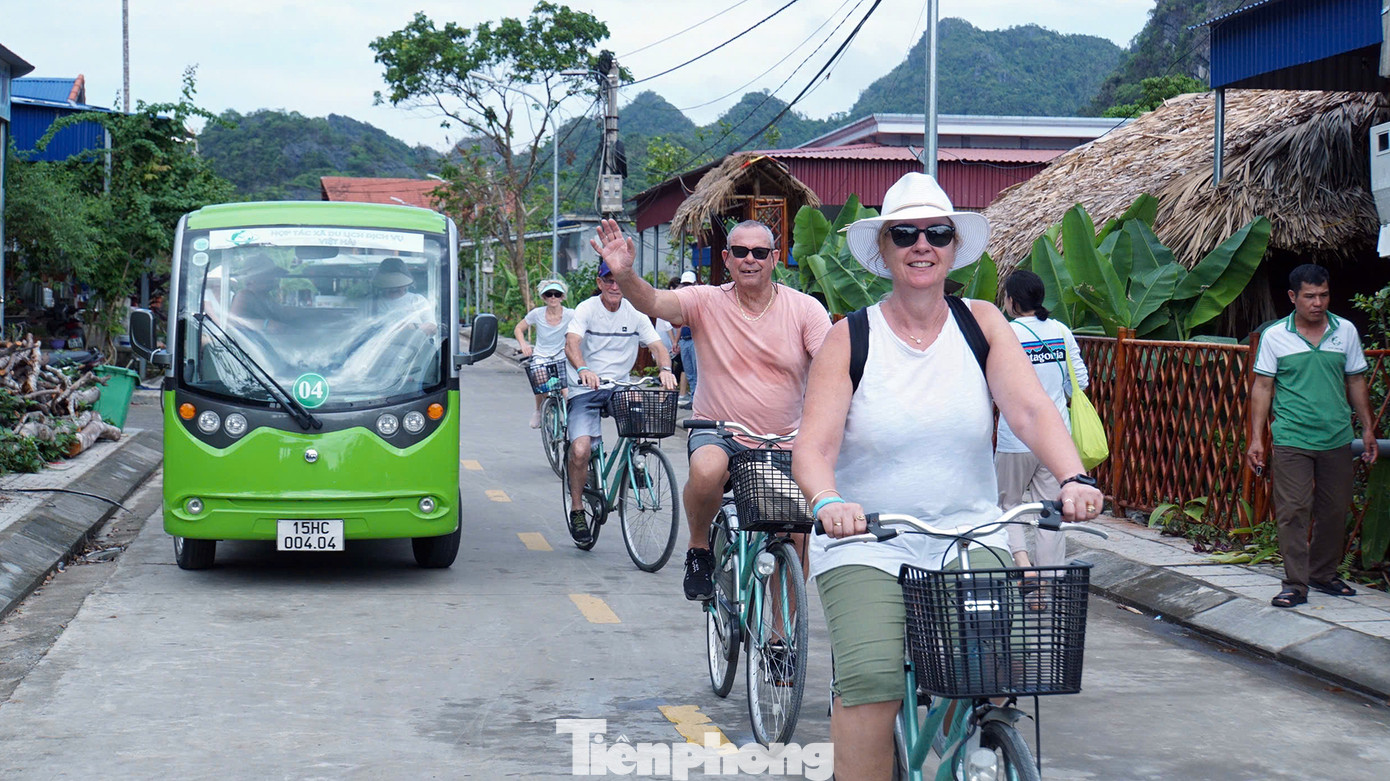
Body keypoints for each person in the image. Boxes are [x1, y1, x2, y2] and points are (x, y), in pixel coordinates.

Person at [791, 172, 1104, 780]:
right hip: (868, 543)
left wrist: (1074, 476)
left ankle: (979, 756)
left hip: (969, 535)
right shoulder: (849, 337)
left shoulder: (982, 323)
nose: (921, 245)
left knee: (997, 674)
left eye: (936, 232)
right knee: (874, 680)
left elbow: (1032, 409)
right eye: (904, 233)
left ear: (953, 246)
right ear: (883, 249)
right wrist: (828, 500)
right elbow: (813, 448)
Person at [591, 218, 831, 601]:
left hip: (785, 438)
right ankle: (699, 548)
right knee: (706, 470)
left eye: (759, 252)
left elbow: (831, 366)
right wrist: (624, 273)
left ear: (775, 258)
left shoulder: (805, 310)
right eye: (740, 252)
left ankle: (782, 638)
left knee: (795, 535)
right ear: (727, 258)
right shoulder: (704, 300)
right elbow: (653, 301)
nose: (749, 259)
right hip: (718, 430)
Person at [1248, 264, 1379, 609]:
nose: (1317, 303)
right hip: (1291, 436)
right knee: (1293, 510)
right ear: (1293, 297)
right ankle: (1295, 583)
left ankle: (1323, 574)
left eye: (1323, 295)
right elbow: (1263, 386)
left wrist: (1367, 427)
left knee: (1335, 510)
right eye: (1309, 296)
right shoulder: (1276, 335)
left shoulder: (1345, 330)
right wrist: (1257, 438)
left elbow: (1355, 380)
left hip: (1336, 435)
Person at [563, 261, 677, 545]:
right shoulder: (586, 309)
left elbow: (658, 346)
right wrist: (583, 369)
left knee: (641, 415)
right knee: (580, 450)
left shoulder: (635, 312)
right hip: (585, 387)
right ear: (600, 283)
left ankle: (637, 466)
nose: (615, 286)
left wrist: (665, 369)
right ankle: (577, 508)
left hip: (619, 387)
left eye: (619, 281)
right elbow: (571, 344)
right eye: (608, 280)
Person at [995, 269, 1089, 567]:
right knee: (1051, 510)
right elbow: (1081, 381)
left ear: (1010, 301)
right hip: (1055, 437)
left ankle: (1023, 568)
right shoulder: (1061, 331)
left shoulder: (1005, 333)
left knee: (1006, 505)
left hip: (1015, 437)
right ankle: (1049, 582)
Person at [515, 279, 575, 428]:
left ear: (562, 297)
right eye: (549, 294)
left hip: (562, 356)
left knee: (566, 392)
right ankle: (539, 410)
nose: (553, 297)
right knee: (539, 379)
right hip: (541, 356)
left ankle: (572, 421)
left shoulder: (571, 314)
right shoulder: (537, 314)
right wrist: (524, 344)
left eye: (557, 294)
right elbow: (518, 328)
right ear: (544, 297)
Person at [372, 257, 437, 335]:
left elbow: (433, 328)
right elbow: (357, 330)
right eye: (390, 283)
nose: (394, 287)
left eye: (398, 282)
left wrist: (413, 326)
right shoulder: (371, 303)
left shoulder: (417, 300)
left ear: (406, 284)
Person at [229, 253, 290, 329]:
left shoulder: (266, 297)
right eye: (268, 274)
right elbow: (233, 322)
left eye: (274, 274)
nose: (273, 278)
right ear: (252, 277)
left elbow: (283, 312)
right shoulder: (244, 296)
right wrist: (266, 325)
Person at [675, 270, 699, 408]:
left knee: (697, 372)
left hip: (695, 340)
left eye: (689, 284)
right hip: (684, 339)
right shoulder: (682, 300)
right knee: (689, 372)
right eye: (684, 284)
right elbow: (680, 323)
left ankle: (697, 401)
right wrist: (676, 341)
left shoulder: (700, 299)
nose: (687, 287)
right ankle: (693, 400)